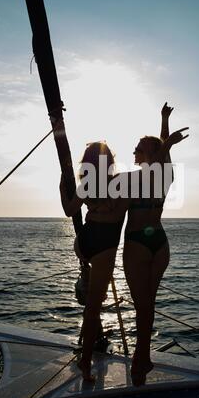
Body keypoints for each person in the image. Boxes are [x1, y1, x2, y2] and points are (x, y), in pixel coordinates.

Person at [123, 102, 189, 386]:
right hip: (158, 243)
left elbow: (162, 155)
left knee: (143, 304)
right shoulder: (163, 176)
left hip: (140, 243)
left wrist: (165, 139)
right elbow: (163, 154)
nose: (134, 152)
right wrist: (164, 121)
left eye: (138, 148)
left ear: (148, 153)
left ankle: (140, 359)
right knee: (146, 304)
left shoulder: (139, 178)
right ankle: (143, 356)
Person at [60, 141, 128, 381]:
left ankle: (86, 277)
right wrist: (103, 209)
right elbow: (117, 214)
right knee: (93, 309)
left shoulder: (87, 184)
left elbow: (70, 210)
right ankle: (85, 361)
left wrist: (64, 187)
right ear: (109, 161)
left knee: (93, 304)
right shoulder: (119, 182)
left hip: (85, 244)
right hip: (103, 248)